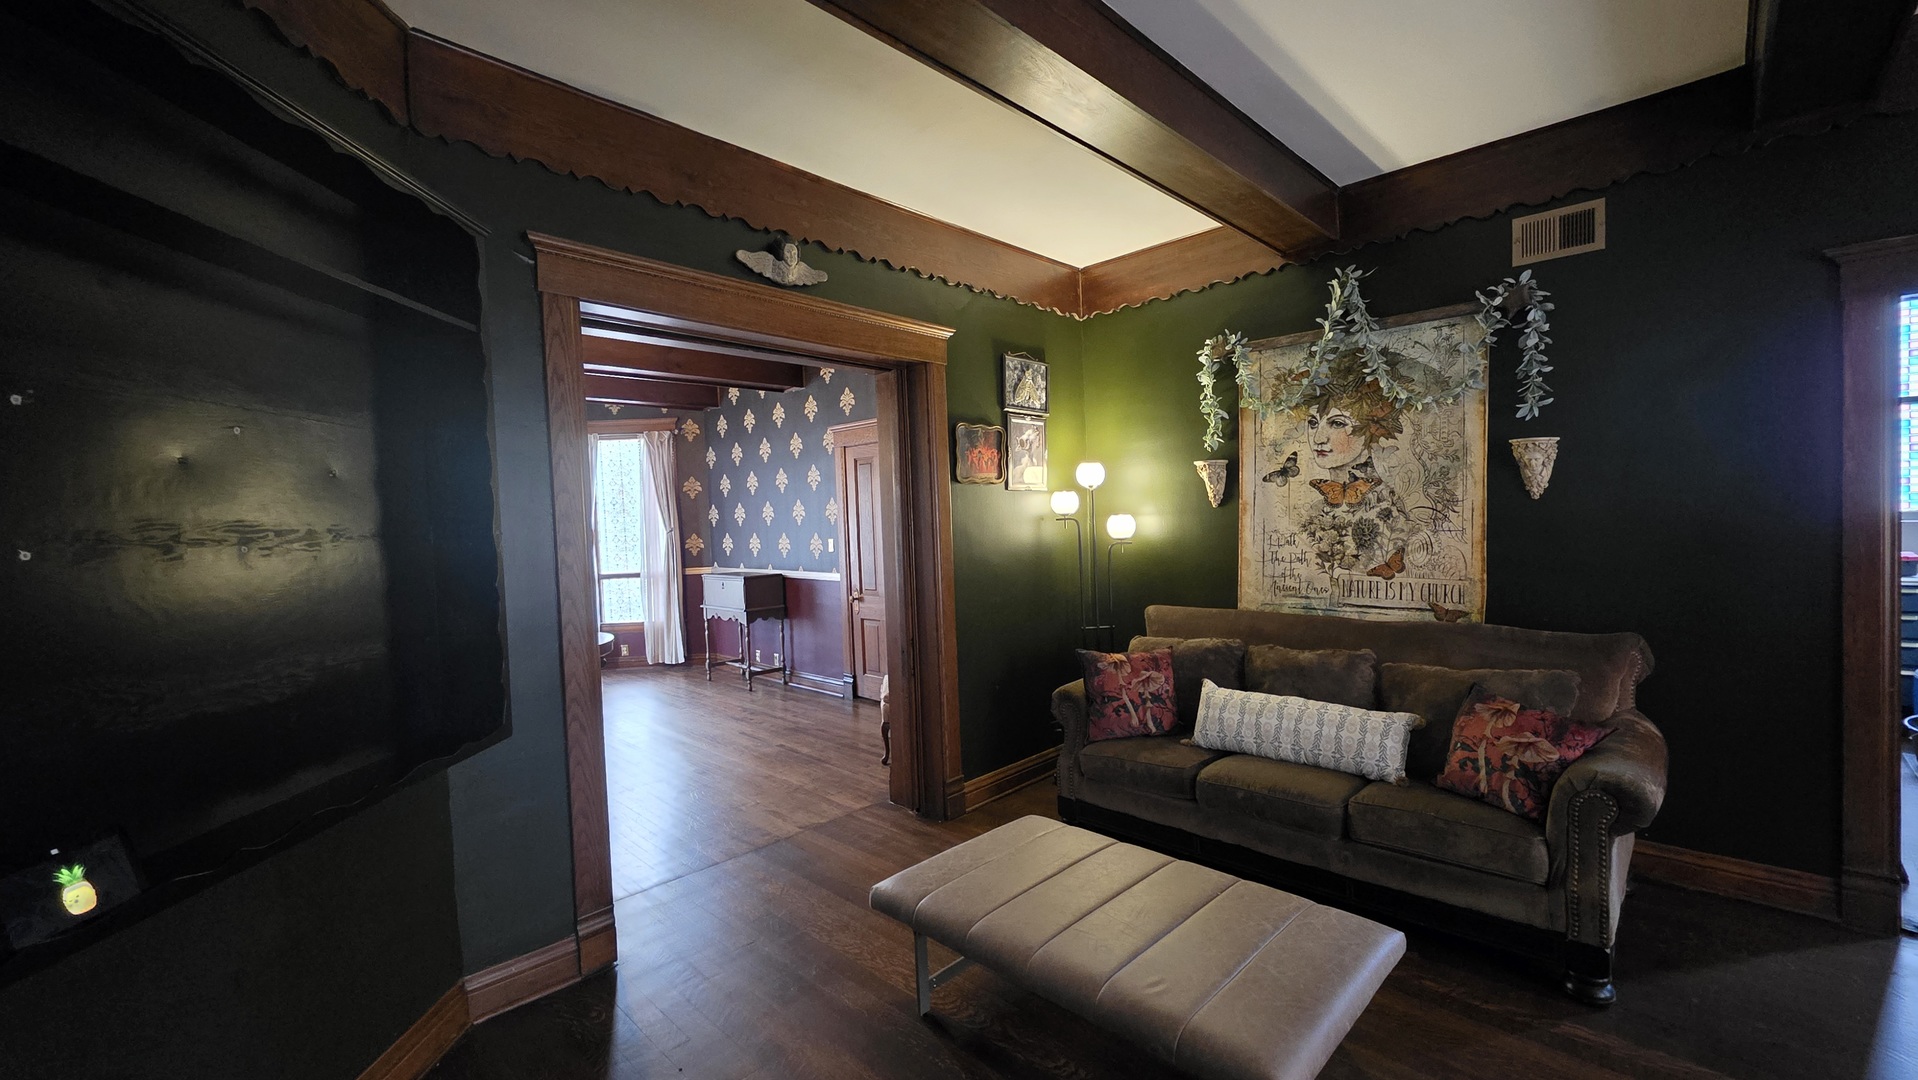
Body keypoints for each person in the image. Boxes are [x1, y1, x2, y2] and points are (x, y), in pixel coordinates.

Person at [1290, 351, 1414, 577]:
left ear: (1372, 428)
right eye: (1313, 423)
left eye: (1337, 423)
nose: (1318, 438)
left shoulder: (1385, 507)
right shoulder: (1315, 509)